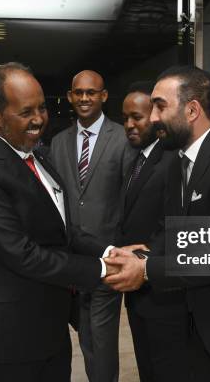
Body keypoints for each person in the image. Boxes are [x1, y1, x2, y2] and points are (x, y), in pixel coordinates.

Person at [0, 62, 139, 382]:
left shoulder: (38, 155)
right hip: (8, 342)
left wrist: (111, 251)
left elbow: (65, 231)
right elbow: (23, 254)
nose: (39, 119)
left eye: (41, 108)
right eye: (26, 112)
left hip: (49, 332)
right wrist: (101, 270)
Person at [104, 65, 210, 382]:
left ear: (192, 110)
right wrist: (143, 254)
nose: (153, 117)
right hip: (189, 330)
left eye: (160, 106)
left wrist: (147, 269)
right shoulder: (177, 163)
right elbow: (175, 232)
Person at [50, 70, 135, 382]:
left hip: (107, 255)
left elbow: (131, 197)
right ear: (71, 96)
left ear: (104, 96)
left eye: (91, 92)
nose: (84, 98)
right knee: (85, 335)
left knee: (101, 335)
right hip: (71, 258)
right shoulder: (57, 143)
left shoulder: (124, 139)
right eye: (78, 93)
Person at [118, 81, 189, 381]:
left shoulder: (172, 159)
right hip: (140, 293)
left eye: (138, 116)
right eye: (125, 118)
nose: (130, 125)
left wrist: (143, 260)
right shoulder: (134, 158)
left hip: (163, 293)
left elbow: (173, 224)